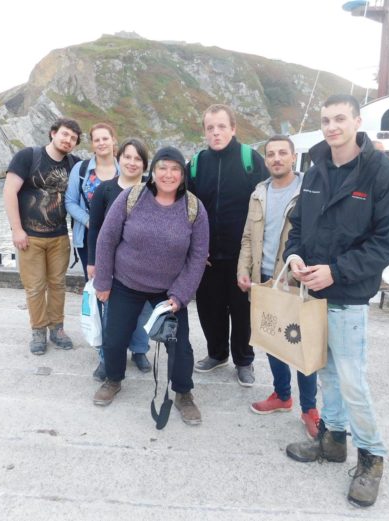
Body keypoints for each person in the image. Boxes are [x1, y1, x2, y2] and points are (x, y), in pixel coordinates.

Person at [283, 95, 389, 508]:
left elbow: (387, 242)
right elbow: (298, 224)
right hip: (313, 293)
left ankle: (372, 457)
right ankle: (333, 441)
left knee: (352, 380)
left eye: (339, 118)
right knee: (327, 375)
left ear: (356, 120)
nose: (331, 126)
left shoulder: (379, 172)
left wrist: (336, 270)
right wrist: (294, 256)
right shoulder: (315, 168)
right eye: (325, 120)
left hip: (349, 295)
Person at [92, 147, 209, 425]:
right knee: (115, 336)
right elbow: (106, 239)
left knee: (179, 346)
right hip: (126, 282)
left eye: (175, 169)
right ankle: (113, 379)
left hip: (168, 292)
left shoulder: (194, 208)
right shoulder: (131, 197)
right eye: (162, 168)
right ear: (153, 171)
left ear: (182, 174)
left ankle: (183, 393)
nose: (168, 174)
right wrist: (103, 281)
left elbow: (198, 256)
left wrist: (180, 295)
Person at [236, 135, 320, 437]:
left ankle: (309, 408)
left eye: (282, 153)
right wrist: (243, 269)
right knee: (272, 339)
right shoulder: (259, 192)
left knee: (302, 345)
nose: (276, 159)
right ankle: (282, 395)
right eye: (270, 154)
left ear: (293, 156)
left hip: (297, 280)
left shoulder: (309, 191)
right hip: (265, 277)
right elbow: (248, 236)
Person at [189, 104, 269, 386]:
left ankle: (244, 360)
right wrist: (195, 247)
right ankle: (217, 353)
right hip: (208, 255)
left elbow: (266, 205)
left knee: (242, 310)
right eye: (210, 128)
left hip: (242, 255)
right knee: (210, 308)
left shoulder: (250, 159)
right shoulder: (197, 164)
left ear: (233, 128)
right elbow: (186, 207)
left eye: (222, 126)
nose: (216, 132)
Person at [3, 117, 82, 355]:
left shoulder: (74, 164)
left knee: (58, 284)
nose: (68, 140)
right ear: (53, 133)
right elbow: (9, 191)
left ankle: (57, 329)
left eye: (74, 138)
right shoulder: (27, 156)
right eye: (65, 134)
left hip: (59, 237)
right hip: (30, 237)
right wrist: (17, 229)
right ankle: (38, 330)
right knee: (35, 287)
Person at [87, 138, 153, 379]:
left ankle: (139, 350)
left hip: (144, 266)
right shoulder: (105, 189)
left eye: (138, 158)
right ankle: (107, 359)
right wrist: (93, 262)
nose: (132, 162)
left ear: (145, 164)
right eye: (127, 157)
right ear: (119, 158)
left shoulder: (152, 189)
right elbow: (95, 229)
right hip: (111, 264)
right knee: (110, 314)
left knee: (142, 312)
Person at [65, 123, 119, 280]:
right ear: (92, 144)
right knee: (94, 281)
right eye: (97, 140)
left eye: (105, 138)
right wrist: (89, 221)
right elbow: (70, 201)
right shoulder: (80, 169)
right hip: (88, 236)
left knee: (119, 283)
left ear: (113, 140)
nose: (101, 143)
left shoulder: (124, 168)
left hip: (119, 235)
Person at [372, 140, 389, 292]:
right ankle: (377, 281)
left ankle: (378, 280)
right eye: (380, 153)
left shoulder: (386, 172)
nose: (384, 156)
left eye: (384, 153)